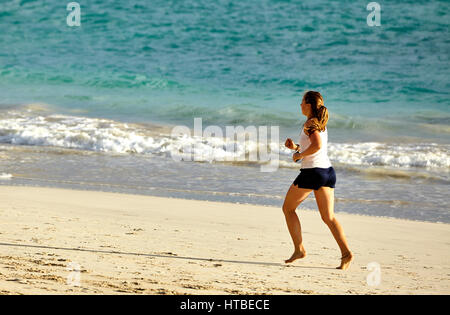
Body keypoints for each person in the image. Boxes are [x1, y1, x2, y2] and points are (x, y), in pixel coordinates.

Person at [283, 91, 353, 270]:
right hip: (327, 172)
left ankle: (299, 249)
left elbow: (317, 146)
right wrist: (296, 147)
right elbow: (312, 146)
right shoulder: (320, 124)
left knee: (288, 209)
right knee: (328, 217)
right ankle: (346, 254)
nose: (300, 105)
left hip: (312, 173)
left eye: (302, 102)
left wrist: (298, 155)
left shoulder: (310, 124)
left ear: (309, 105)